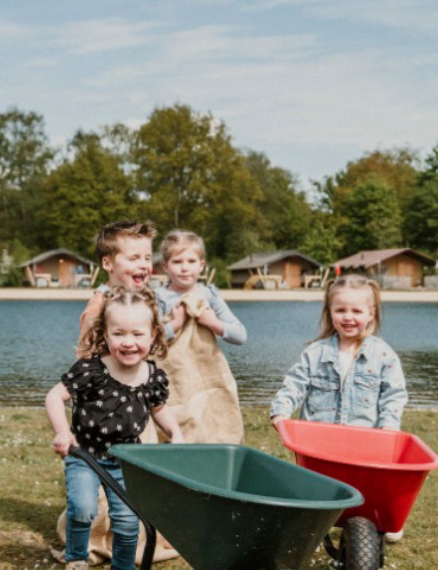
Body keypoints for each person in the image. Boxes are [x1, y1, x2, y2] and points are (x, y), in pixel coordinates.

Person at [46, 286, 184, 570]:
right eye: (118, 333)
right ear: (105, 334)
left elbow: (159, 410)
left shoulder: (152, 377)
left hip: (126, 459)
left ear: (153, 335)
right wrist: (62, 432)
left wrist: (175, 433)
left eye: (137, 333)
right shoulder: (91, 370)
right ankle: (76, 565)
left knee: (125, 520)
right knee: (82, 509)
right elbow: (54, 396)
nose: (128, 342)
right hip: (85, 454)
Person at [269, 273, 408, 540]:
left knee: (365, 486)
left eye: (356, 310)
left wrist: (389, 429)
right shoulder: (315, 353)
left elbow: (394, 395)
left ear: (371, 313)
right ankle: (313, 519)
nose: (348, 317)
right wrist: (281, 411)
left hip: (364, 439)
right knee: (319, 484)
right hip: (320, 441)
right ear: (329, 312)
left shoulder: (383, 355)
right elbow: (295, 384)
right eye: (340, 309)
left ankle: (377, 519)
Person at [153, 230, 247, 444]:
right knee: (177, 415)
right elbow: (148, 341)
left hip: (204, 368)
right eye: (177, 262)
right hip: (172, 372)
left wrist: (213, 323)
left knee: (213, 415)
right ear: (166, 267)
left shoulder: (209, 296)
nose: (185, 268)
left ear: (201, 265)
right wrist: (174, 325)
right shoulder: (158, 298)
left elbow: (240, 335)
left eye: (191, 261)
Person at [77, 219, 157, 357]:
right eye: (133, 259)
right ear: (108, 264)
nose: (144, 265)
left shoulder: (146, 299)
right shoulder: (98, 306)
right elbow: (84, 356)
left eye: (147, 258)